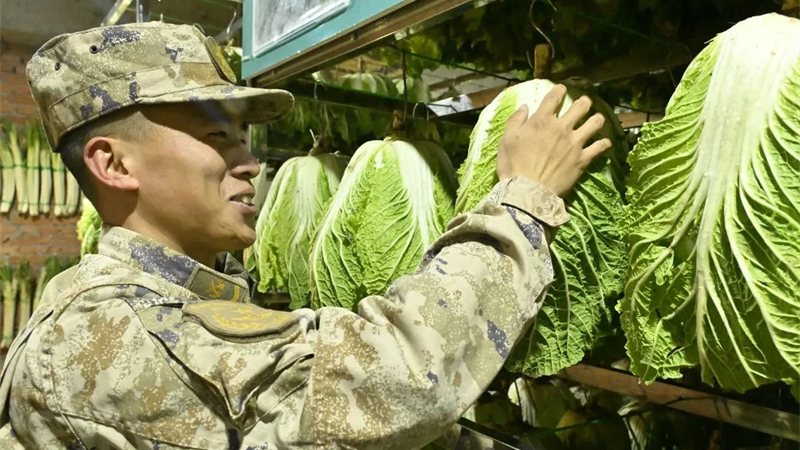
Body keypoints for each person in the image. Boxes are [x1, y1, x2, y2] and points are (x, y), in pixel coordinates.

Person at [0, 21, 610, 450]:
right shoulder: (109, 333)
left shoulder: (171, 299)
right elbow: (396, 379)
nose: (250, 162)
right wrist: (522, 199)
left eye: (244, 137)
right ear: (114, 165)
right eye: (218, 138)